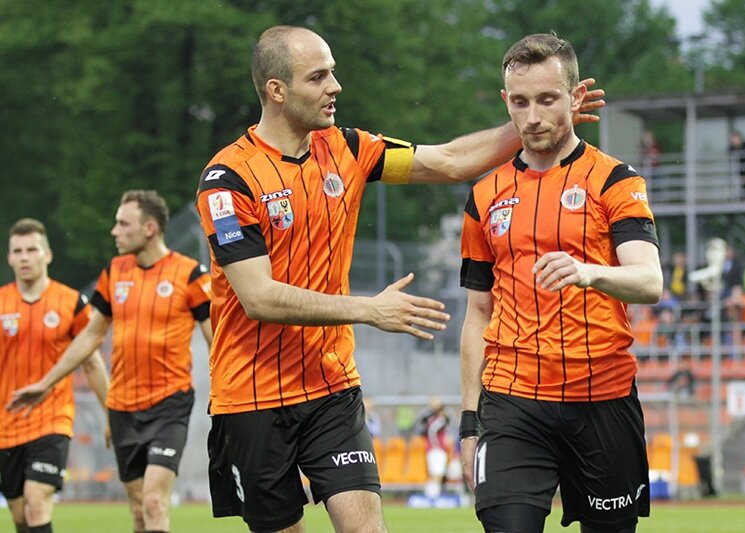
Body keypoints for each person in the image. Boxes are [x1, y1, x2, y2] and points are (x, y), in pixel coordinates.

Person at [194, 24, 605, 533]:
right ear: (277, 90)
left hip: (332, 387)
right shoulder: (227, 180)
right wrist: (369, 309)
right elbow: (258, 297)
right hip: (250, 396)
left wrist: (535, 122)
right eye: (318, 77)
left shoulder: (349, 148)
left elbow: (451, 160)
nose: (335, 86)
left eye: (333, 73)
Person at [458, 33, 662, 533]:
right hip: (512, 400)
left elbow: (649, 280)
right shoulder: (484, 196)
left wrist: (590, 272)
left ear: (575, 97)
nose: (532, 117)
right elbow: (478, 314)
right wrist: (468, 423)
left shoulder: (616, 181)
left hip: (603, 396)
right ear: (506, 101)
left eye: (547, 100)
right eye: (520, 102)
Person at [9, 192, 212, 533]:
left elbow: (215, 339)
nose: (114, 231)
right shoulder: (114, 272)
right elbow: (91, 335)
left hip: (169, 406)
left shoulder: (190, 275)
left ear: (149, 228)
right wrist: (46, 383)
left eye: (122, 224)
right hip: (122, 409)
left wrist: (226, 393)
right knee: (138, 511)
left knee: (154, 501)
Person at [1, 218, 109, 533]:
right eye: (17, 251)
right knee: (21, 515)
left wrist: (110, 414)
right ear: (9, 258)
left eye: (31, 249)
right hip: (6, 424)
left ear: (47, 255)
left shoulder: (71, 303)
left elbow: (91, 363)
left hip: (53, 419)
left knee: (37, 501)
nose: (24, 257)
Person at [411, 396, 452, 499]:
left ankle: (432, 494)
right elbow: (431, 432)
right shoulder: (434, 420)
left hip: (435, 449)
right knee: (436, 473)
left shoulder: (435, 419)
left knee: (437, 473)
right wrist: (435, 444)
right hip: (436, 449)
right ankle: (433, 495)